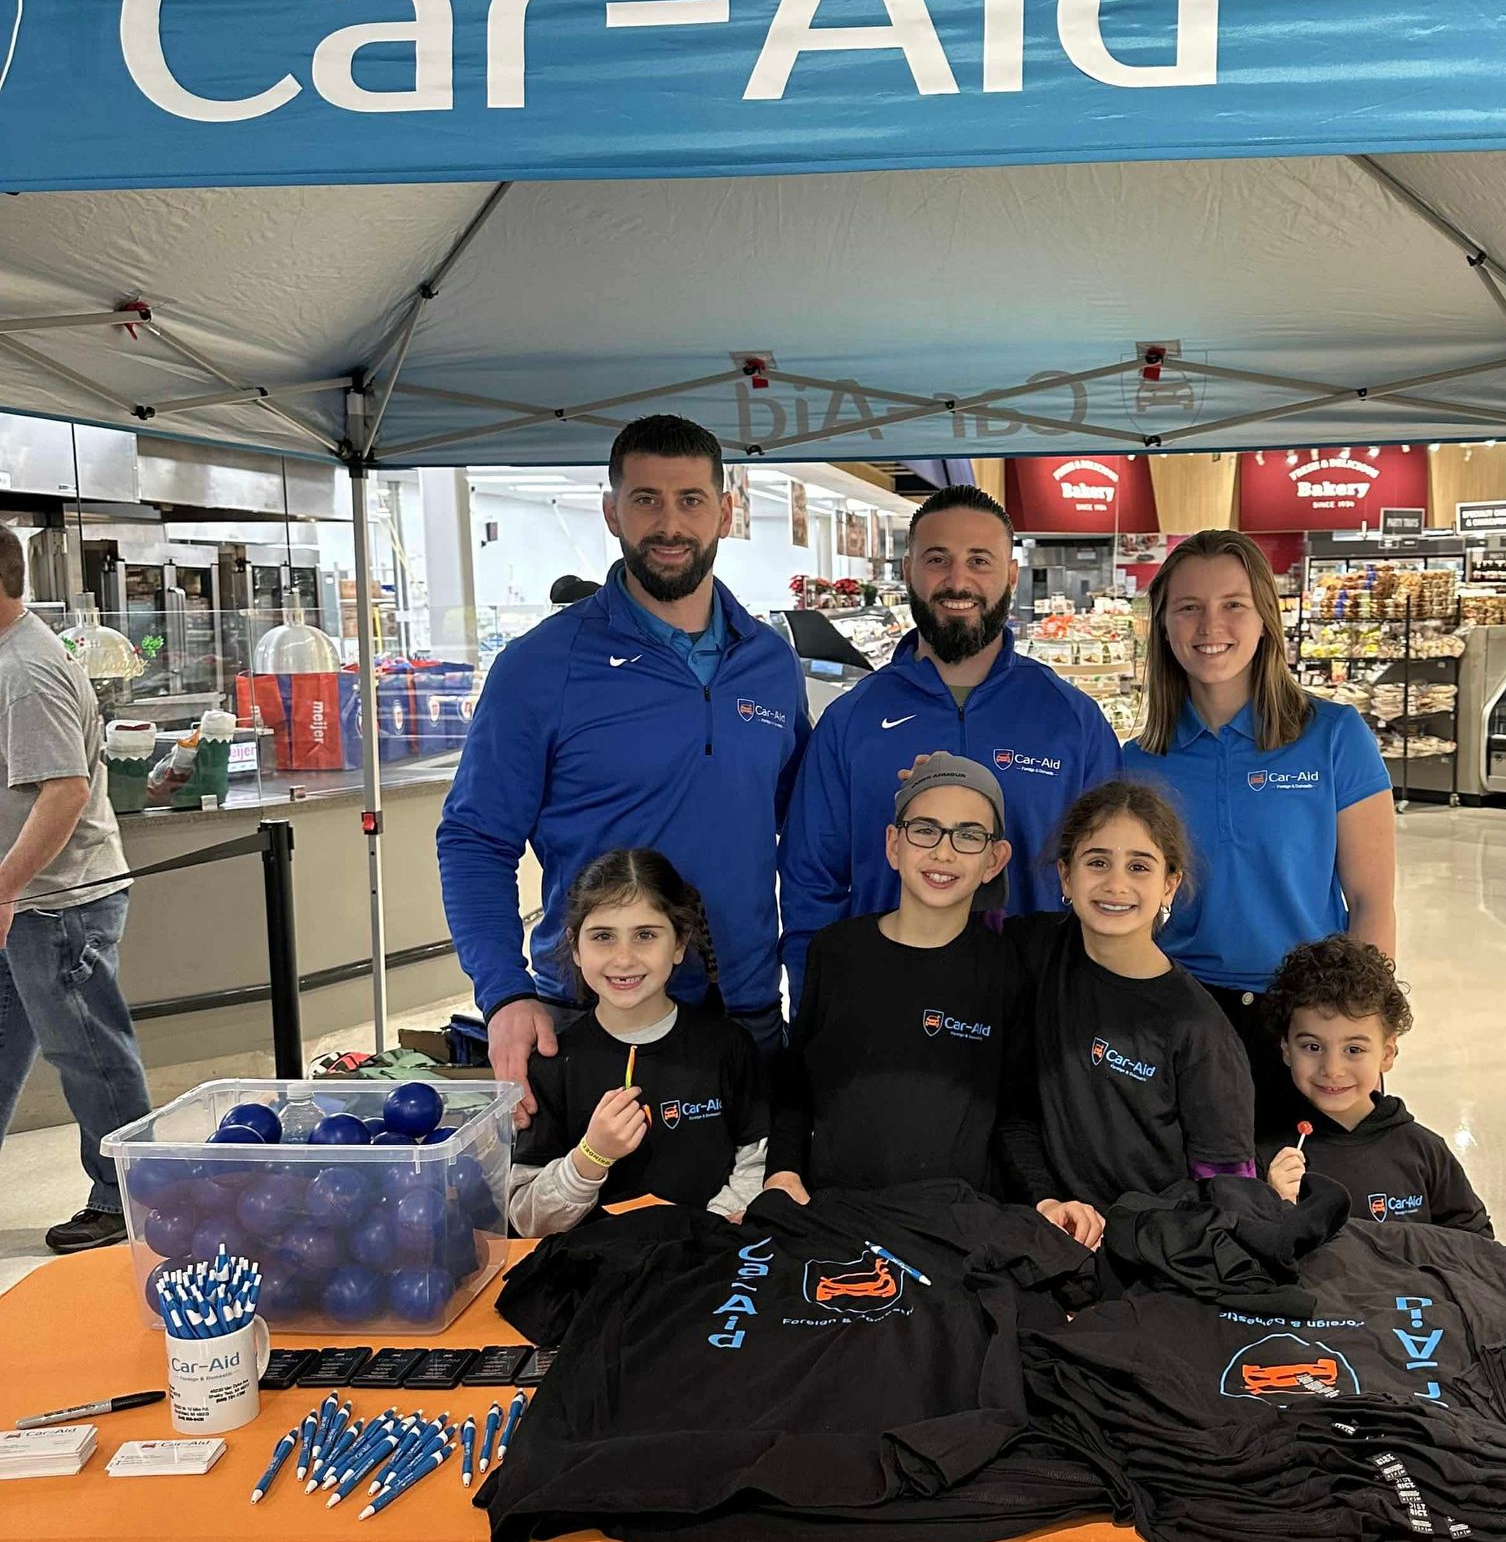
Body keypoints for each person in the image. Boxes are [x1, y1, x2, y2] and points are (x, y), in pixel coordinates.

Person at [439, 414, 810, 1113]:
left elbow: (807, 830)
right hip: (595, 1017)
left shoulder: (769, 662)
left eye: (691, 500)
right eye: (646, 499)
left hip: (746, 1012)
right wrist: (504, 993)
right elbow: (474, 840)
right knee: (595, 1217)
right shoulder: (540, 666)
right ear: (612, 511)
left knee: (749, 1213)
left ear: (726, 512)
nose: (669, 524)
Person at [778, 484, 1120, 1001]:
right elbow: (811, 886)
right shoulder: (850, 721)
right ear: (909, 569)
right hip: (882, 1012)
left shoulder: (1073, 722)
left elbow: (1108, 878)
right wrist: (815, 1014)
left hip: (1034, 1016)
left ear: (1010, 574)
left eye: (979, 561)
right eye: (937, 559)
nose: (958, 581)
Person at [1122, 529, 1394, 1134]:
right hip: (1183, 1013)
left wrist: (1359, 1027)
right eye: (1187, 607)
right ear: (1162, 627)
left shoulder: (1334, 736)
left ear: (1266, 619)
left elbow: (1372, 900)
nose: (1208, 624)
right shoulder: (1138, 762)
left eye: (1232, 604)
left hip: (1310, 1017)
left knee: (1318, 1205)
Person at [764, 754, 1098, 1244]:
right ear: (893, 845)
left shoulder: (1006, 971)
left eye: (968, 836)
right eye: (925, 830)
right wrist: (784, 1171)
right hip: (835, 1217)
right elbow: (797, 1088)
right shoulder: (836, 951)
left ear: (994, 860)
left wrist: (1042, 1196)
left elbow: (1013, 1113)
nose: (944, 852)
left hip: (956, 1227)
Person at [997, 778, 1265, 1224]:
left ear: (1170, 885)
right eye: (1097, 862)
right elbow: (1017, 1114)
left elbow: (1228, 1190)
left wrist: (1133, 1235)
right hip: (1053, 1228)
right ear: (1066, 875)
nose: (1116, 884)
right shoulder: (1037, 952)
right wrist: (1045, 1200)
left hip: (1159, 1249)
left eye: (1139, 867)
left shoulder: (1198, 1028)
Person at [0, 525, 153, 1253]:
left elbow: (62, 792)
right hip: (25, 898)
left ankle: (123, 1195)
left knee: (87, 1049)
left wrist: (4, 886)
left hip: (58, 901)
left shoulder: (27, 669)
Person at [508, 849, 767, 1235]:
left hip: (709, 1265)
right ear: (576, 947)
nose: (624, 959)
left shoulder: (728, 1046)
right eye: (603, 937)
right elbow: (527, 1219)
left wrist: (705, 1233)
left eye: (645, 935)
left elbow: (756, 1164)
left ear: (679, 943)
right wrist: (591, 1155)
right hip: (594, 1276)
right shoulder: (550, 1064)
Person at [1256, 933, 1492, 1235]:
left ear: (1387, 1054)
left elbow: (1477, 1244)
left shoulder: (1424, 1152)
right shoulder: (1270, 1156)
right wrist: (1273, 1205)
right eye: (1313, 1047)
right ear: (1287, 1050)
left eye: (1353, 1050)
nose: (1332, 1069)